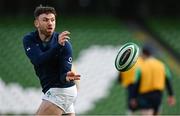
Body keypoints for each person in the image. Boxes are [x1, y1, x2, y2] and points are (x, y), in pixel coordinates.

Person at [22, 5, 80, 116]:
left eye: (52, 20)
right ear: (36, 23)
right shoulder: (29, 39)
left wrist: (66, 76)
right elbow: (38, 60)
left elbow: (64, 73)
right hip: (54, 91)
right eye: (45, 20)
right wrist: (57, 46)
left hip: (61, 91)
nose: (50, 23)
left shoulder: (65, 44)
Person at [130, 45, 176, 116]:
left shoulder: (141, 66)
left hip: (145, 95)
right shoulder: (162, 65)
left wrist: (133, 97)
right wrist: (171, 95)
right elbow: (167, 81)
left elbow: (136, 84)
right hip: (158, 95)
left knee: (146, 114)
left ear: (144, 54)